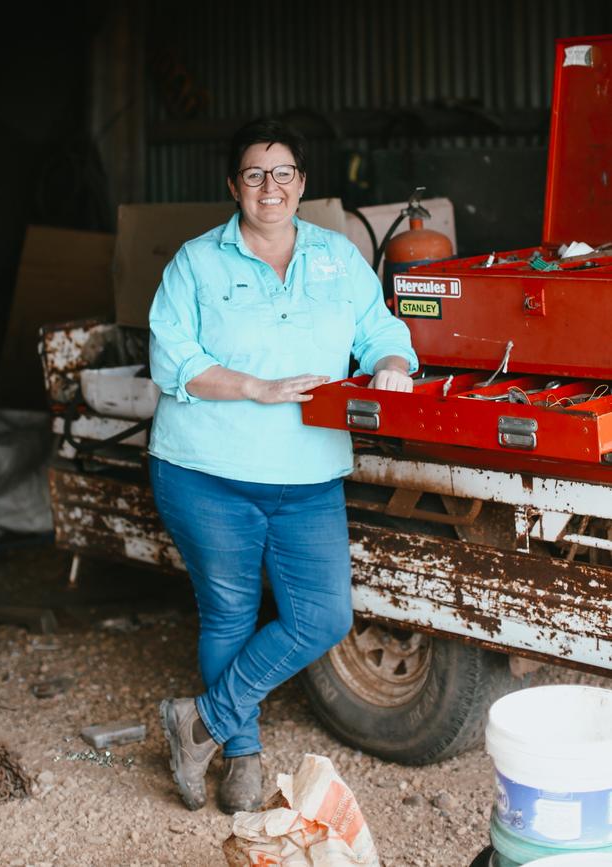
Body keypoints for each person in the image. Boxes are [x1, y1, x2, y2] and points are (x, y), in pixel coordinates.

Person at [147, 117, 418, 814]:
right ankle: (241, 756)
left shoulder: (336, 256)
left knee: (323, 615)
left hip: (307, 473)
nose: (271, 187)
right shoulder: (196, 262)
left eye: (285, 173)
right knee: (230, 614)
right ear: (235, 185)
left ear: (303, 182)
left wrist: (391, 362)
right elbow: (172, 358)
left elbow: (381, 327)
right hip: (207, 470)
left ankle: (200, 720)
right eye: (255, 174)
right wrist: (255, 386)